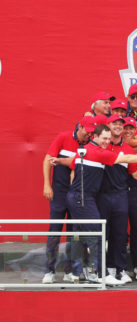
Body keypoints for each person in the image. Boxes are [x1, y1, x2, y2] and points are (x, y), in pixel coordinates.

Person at [51, 124, 137, 283]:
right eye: (103, 138)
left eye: (108, 139)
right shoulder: (98, 152)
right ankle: (100, 274)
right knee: (96, 234)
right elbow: (126, 158)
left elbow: (73, 161)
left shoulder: (85, 150)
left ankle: (77, 272)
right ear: (94, 137)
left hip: (80, 197)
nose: (106, 142)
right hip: (82, 198)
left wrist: (59, 160)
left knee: (81, 234)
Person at [97, 115, 137, 284]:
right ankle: (105, 269)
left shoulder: (129, 149)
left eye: (120, 124)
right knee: (104, 234)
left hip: (121, 195)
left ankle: (121, 269)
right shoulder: (102, 145)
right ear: (108, 126)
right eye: (114, 123)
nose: (117, 126)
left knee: (120, 234)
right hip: (102, 196)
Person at [42, 116, 95, 284]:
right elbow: (47, 160)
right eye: (87, 131)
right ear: (79, 127)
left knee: (74, 234)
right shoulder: (63, 137)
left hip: (77, 194)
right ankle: (49, 271)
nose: (89, 135)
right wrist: (47, 185)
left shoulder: (89, 144)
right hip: (58, 192)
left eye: (92, 133)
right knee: (55, 231)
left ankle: (69, 271)